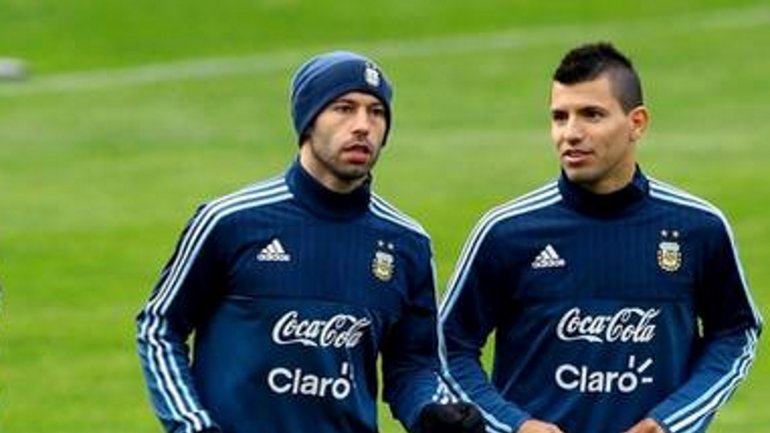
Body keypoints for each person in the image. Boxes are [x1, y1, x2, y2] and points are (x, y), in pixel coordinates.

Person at [136, 51, 484, 433]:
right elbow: (159, 326)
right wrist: (191, 424)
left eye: (376, 113)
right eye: (344, 108)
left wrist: (432, 412)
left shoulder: (406, 243)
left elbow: (415, 365)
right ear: (308, 120)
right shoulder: (231, 222)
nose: (363, 126)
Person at [438, 42, 762, 433]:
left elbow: (735, 332)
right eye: (560, 117)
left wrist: (672, 421)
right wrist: (515, 425)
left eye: (591, 115)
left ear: (637, 123)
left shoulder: (698, 227)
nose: (571, 133)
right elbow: (445, 347)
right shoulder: (507, 231)